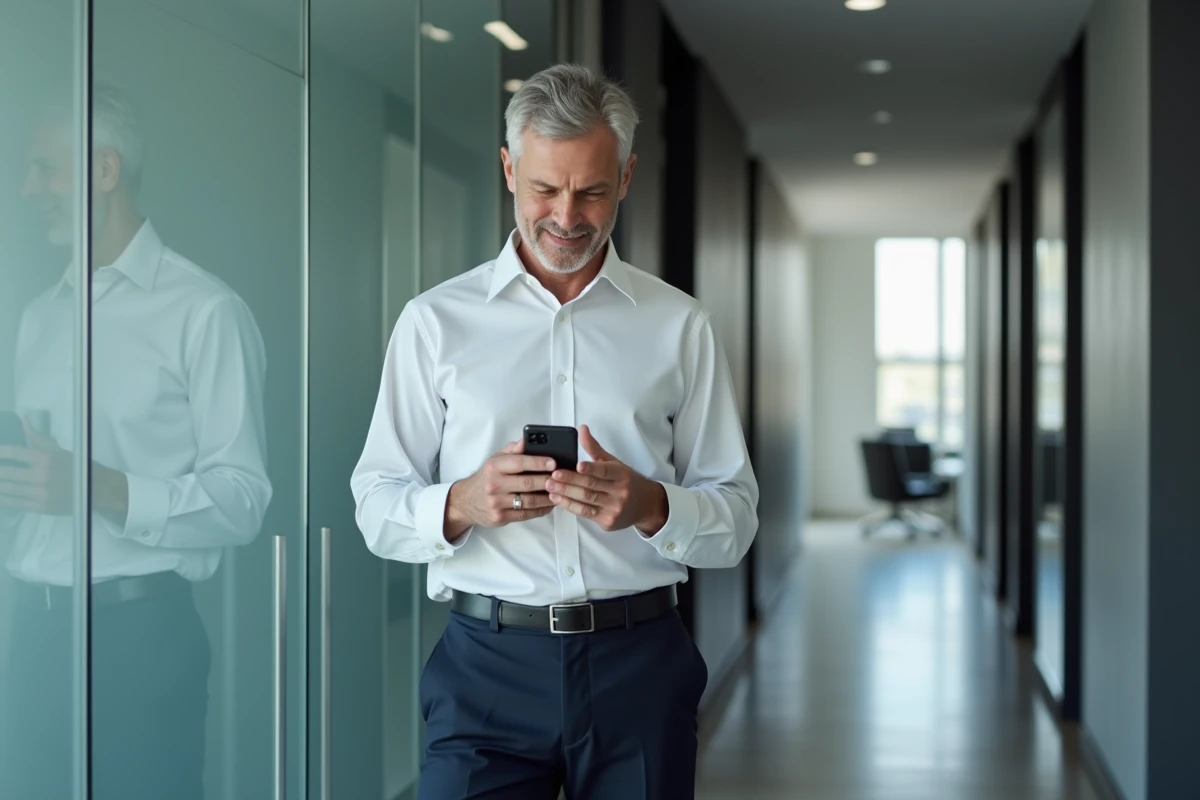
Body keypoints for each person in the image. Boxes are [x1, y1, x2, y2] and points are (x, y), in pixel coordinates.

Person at [352, 64, 759, 798]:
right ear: (509, 170)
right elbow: (375, 504)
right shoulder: (434, 323)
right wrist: (461, 503)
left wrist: (651, 506)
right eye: (545, 188)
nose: (566, 216)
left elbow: (735, 521)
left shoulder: (680, 326)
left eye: (592, 191)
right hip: (484, 669)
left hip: (640, 668)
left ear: (626, 177)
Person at [0, 82, 271, 800]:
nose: (27, 189)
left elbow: (242, 500)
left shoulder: (206, 312)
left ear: (104, 169)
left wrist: (92, 486)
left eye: (43, 168)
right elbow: (33, 484)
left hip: (139, 641)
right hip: (31, 637)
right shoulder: (37, 318)